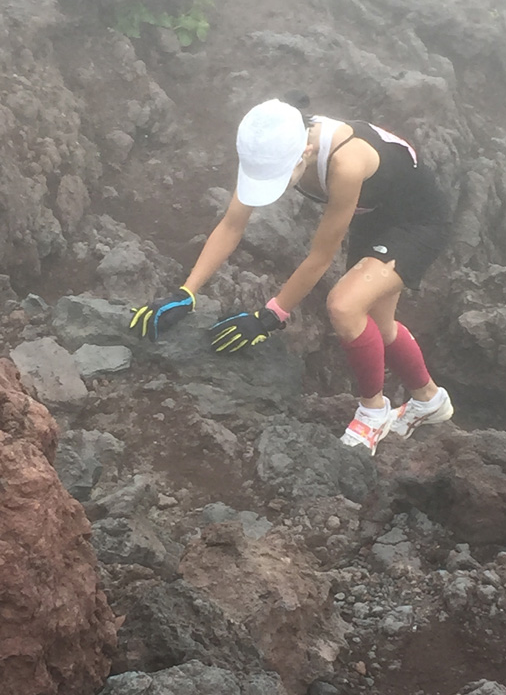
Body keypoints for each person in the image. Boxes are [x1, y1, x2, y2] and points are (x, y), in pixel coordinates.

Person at [130, 93, 453, 454]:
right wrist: (186, 292)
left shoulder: (346, 163)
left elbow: (320, 255)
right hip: (373, 213)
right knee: (380, 321)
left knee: (345, 307)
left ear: (304, 155)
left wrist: (271, 316)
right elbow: (233, 223)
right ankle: (429, 400)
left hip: (417, 223)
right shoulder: (268, 139)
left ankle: (373, 410)